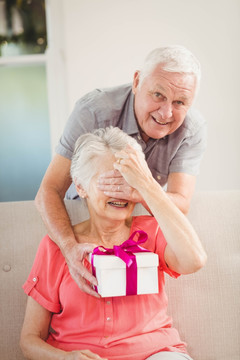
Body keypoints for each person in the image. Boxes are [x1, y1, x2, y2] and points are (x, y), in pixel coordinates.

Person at [20, 127, 207, 360]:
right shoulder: (56, 247)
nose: (122, 192)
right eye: (110, 182)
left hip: (157, 353)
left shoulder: (152, 231)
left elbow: (194, 260)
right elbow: (29, 340)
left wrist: (146, 187)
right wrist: (67, 358)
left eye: (127, 182)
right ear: (80, 187)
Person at [35, 45, 207, 296]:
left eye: (180, 102)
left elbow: (181, 204)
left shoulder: (192, 129)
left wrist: (140, 188)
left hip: (141, 219)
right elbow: (48, 190)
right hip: (85, 214)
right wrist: (70, 248)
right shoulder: (93, 110)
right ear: (137, 81)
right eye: (158, 95)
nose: (166, 113)